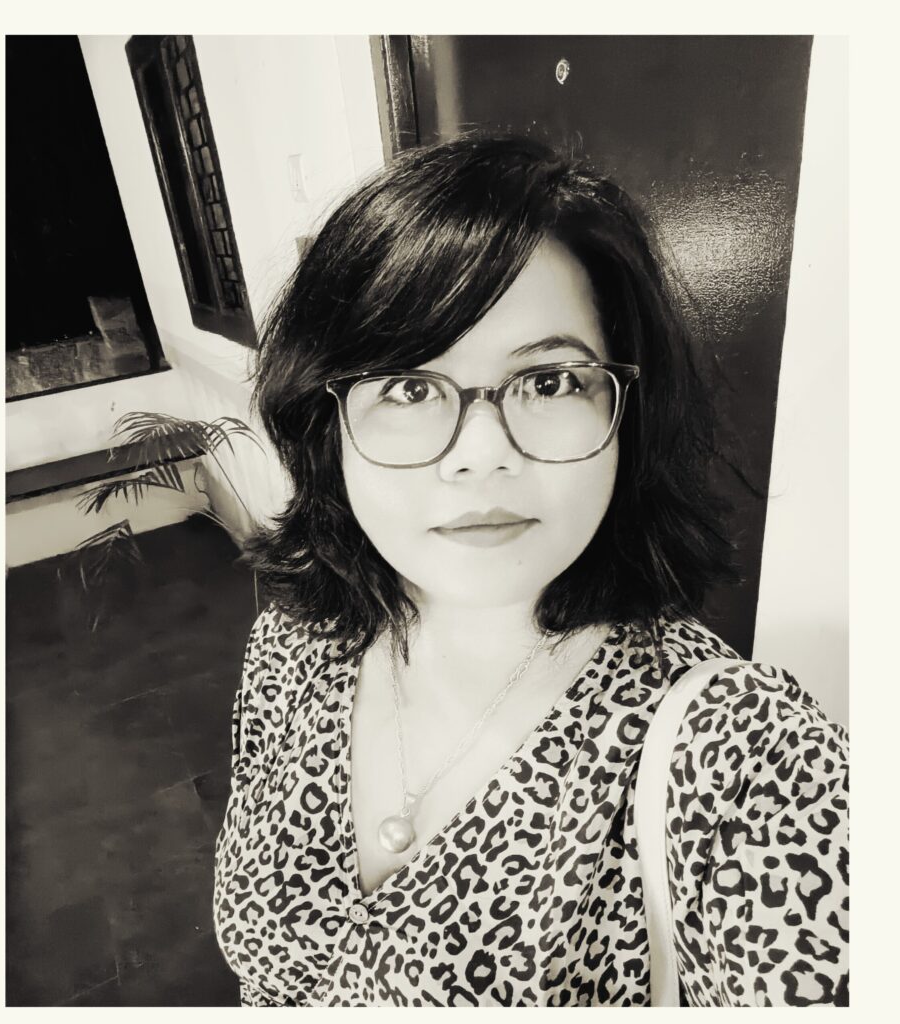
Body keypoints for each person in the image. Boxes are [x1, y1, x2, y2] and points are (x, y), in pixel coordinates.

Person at [212, 136, 849, 1007]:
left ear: (627, 413)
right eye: (408, 386)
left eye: (549, 382)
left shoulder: (742, 760)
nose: (481, 456)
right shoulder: (294, 644)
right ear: (329, 425)